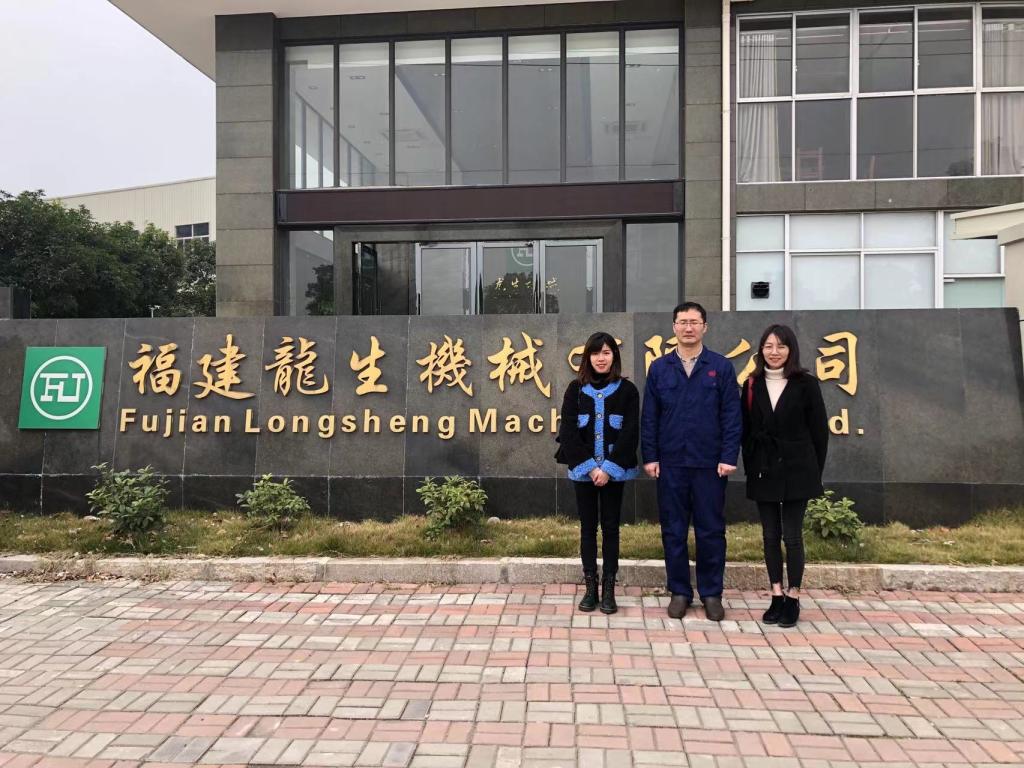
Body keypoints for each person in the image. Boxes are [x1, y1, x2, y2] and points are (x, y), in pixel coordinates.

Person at [641, 302, 742, 622]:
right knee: (673, 530)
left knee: (711, 530)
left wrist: (728, 455)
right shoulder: (660, 368)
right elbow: (650, 417)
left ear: (704, 327)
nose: (688, 327)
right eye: (682, 322)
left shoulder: (721, 367)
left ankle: (711, 593)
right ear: (673, 327)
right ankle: (680, 591)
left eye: (694, 322)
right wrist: (650, 456)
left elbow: (732, 415)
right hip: (671, 462)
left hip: (709, 464)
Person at [741, 324, 828, 628]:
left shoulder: (806, 384)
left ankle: (793, 596)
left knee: (792, 536)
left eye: (780, 346)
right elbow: (746, 430)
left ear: (791, 350)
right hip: (764, 469)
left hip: (798, 470)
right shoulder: (751, 385)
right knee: (769, 535)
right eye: (768, 346)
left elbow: (819, 433)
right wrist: (751, 466)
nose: (774, 352)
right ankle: (776, 593)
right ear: (761, 350)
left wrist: (814, 472)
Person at [556, 331, 640, 615]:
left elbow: (630, 433)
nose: (600, 358)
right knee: (588, 528)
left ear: (614, 356)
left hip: (614, 473)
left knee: (611, 528)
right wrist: (591, 468)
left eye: (606, 352)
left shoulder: (627, 391)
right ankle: (590, 587)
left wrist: (609, 469)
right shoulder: (575, 389)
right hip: (584, 474)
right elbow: (568, 433)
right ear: (587, 357)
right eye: (595, 353)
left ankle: (609, 589)